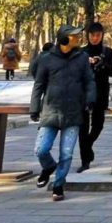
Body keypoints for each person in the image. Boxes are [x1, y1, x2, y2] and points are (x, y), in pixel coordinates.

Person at [30, 25, 94, 201]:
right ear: (65, 39)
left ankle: (58, 185)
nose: (79, 38)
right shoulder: (47, 59)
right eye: (75, 36)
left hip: (73, 112)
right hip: (51, 111)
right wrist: (34, 108)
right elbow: (39, 85)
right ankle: (48, 167)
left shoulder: (82, 58)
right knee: (41, 149)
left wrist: (90, 99)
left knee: (66, 153)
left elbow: (89, 81)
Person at [77, 21, 112, 173]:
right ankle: (85, 160)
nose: (95, 38)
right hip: (83, 93)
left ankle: (87, 146)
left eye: (98, 35)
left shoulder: (108, 52)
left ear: (102, 35)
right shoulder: (80, 53)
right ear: (87, 35)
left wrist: (102, 64)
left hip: (101, 92)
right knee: (83, 127)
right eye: (92, 35)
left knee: (98, 125)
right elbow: (75, 72)